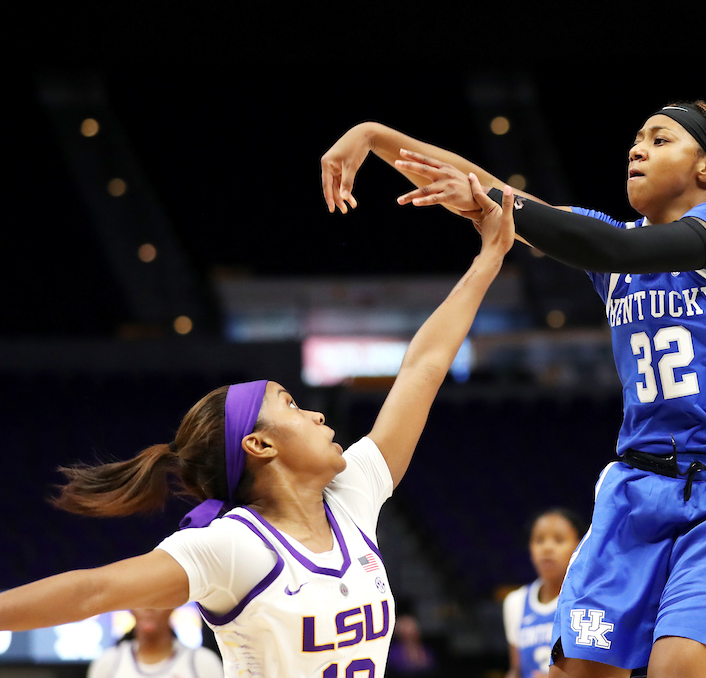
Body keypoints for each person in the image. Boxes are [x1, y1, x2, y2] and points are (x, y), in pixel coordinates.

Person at [320, 101, 706, 678]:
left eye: (659, 139)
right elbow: (507, 198)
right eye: (636, 138)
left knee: (679, 668)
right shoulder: (609, 244)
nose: (637, 149)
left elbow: (601, 244)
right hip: (636, 487)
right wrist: (376, 136)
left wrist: (500, 202)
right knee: (577, 671)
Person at [0, 178, 516, 678]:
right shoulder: (233, 547)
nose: (316, 414)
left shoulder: (352, 495)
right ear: (260, 444)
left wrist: (488, 258)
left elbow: (422, 367)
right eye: (291, 404)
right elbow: (92, 591)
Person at [503, 509, 586, 678]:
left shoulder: (587, 600)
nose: (547, 548)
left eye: (559, 539)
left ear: (579, 546)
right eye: (539, 540)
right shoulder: (515, 601)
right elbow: (516, 669)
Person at [87, 608, 222, 678]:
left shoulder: (203, 663)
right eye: (141, 599)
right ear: (129, 607)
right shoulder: (108, 663)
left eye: (156, 600)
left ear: (172, 605)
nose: (148, 608)